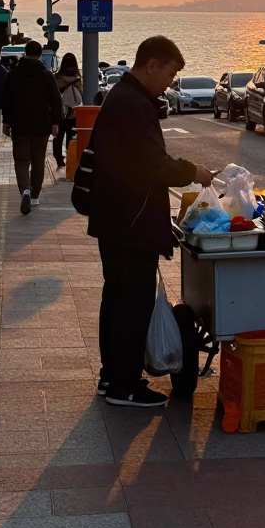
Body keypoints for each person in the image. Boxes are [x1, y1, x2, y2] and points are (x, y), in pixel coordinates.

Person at [84, 35, 213, 409]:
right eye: (169, 75)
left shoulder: (124, 98)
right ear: (151, 64)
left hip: (116, 217)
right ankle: (124, 386)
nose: (169, 84)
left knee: (117, 299)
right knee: (132, 304)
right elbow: (153, 165)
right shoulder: (133, 105)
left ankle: (112, 377)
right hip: (131, 220)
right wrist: (193, 171)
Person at [1, 39, 63, 214]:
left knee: (22, 160)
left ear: (25, 53)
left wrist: (6, 121)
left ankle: (24, 190)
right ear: (40, 54)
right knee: (38, 160)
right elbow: (56, 100)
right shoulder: (46, 74)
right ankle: (35, 196)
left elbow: (6, 99)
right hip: (42, 124)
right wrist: (55, 123)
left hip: (19, 123)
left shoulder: (13, 74)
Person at [54, 52, 83, 167]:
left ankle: (59, 159)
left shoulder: (57, 78)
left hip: (60, 112)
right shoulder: (78, 79)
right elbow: (81, 95)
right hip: (74, 113)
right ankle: (70, 156)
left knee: (58, 137)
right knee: (71, 137)